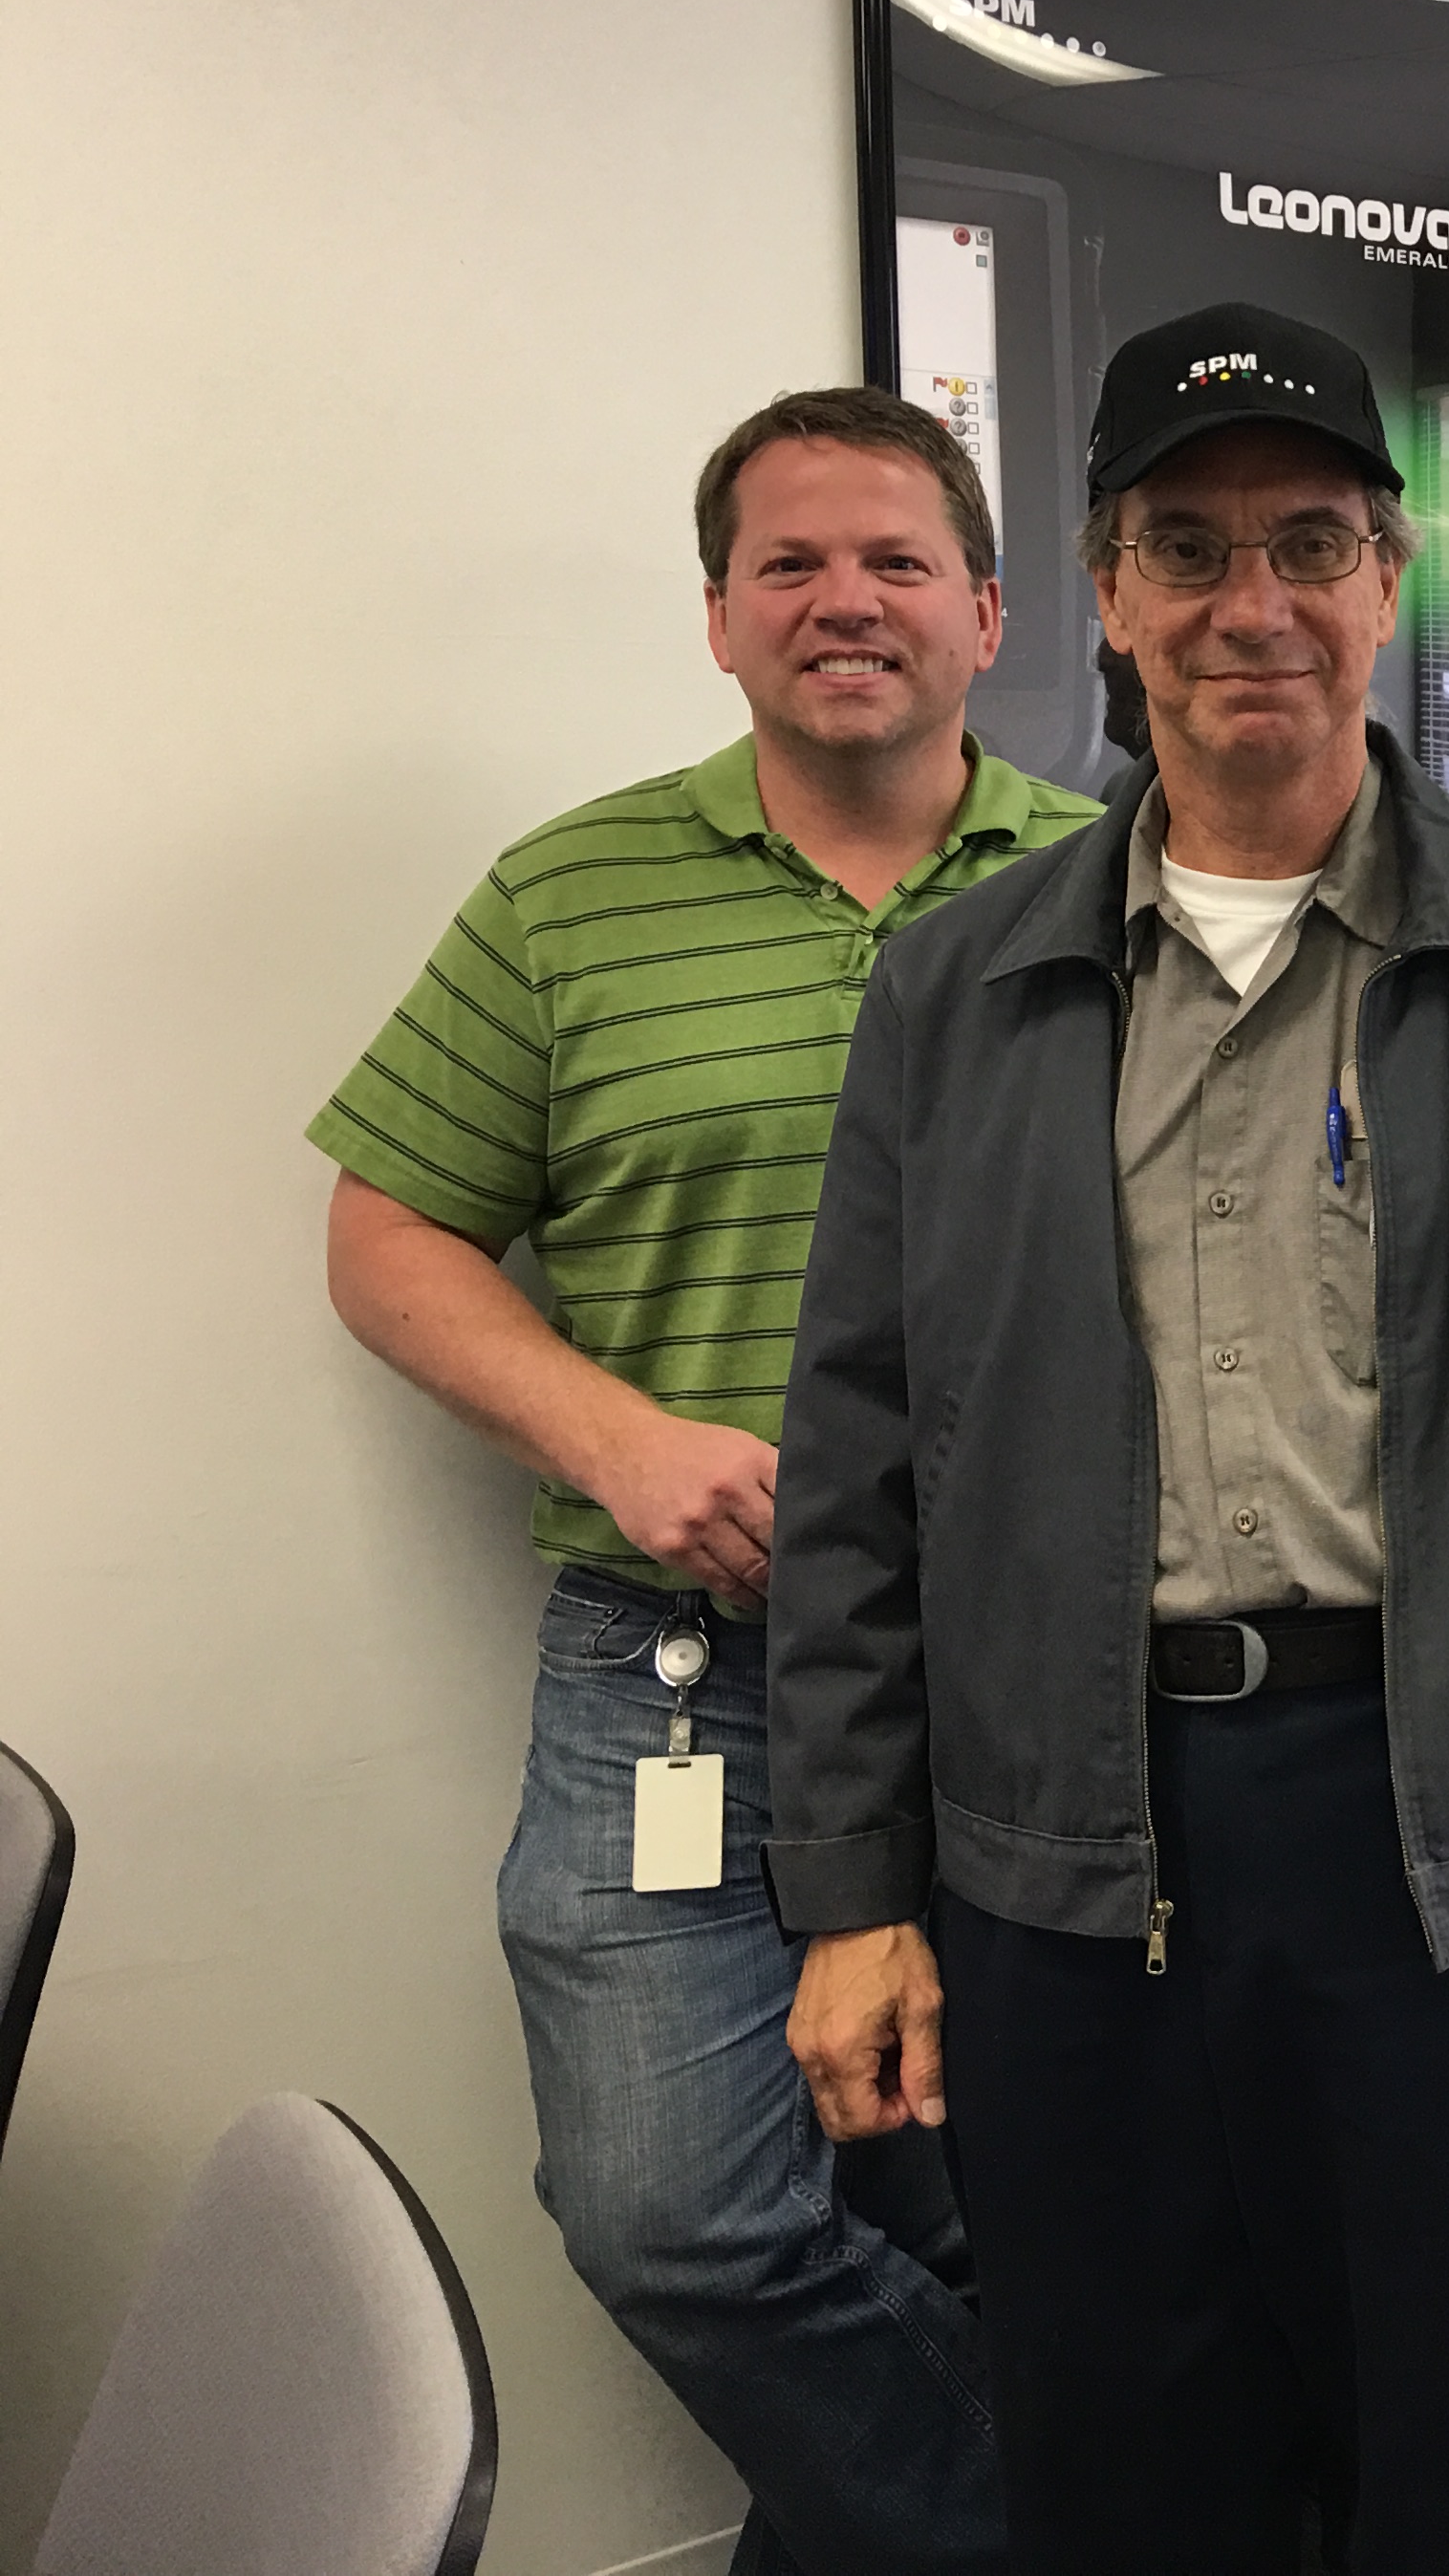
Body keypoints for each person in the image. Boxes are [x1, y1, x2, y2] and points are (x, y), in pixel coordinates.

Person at [763, 301, 1449, 2574]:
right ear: (1109, 591)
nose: (1258, 606)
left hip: (1443, 1825)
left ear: (1393, 570)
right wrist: (850, 1893)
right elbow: (856, 1459)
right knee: (1118, 2443)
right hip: (1063, 1837)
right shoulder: (962, 986)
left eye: (1312, 544)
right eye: (1194, 550)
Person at [314, 387, 1105, 2576]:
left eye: (895, 562)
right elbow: (389, 1236)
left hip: (1024, 1684)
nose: (845, 599)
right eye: (791, 564)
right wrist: (618, 1437)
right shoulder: (571, 897)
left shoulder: (1118, 894)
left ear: (990, 613)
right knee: (675, 2215)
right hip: (682, 1676)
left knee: (977, 2203)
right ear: (719, 617)